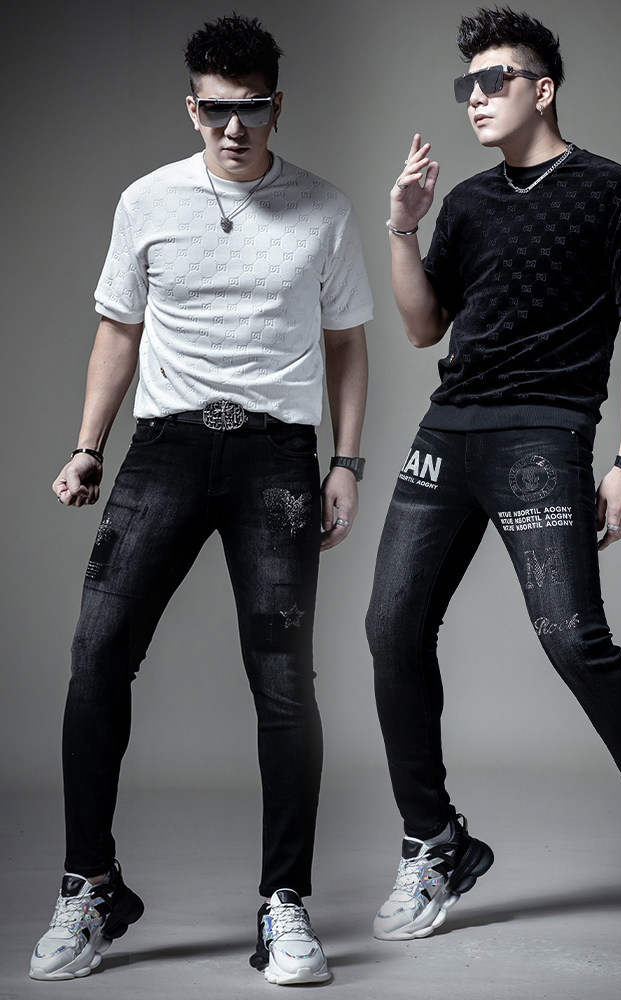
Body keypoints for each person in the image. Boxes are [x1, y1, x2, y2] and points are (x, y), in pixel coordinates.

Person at [365, 4, 621, 980]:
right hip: (448, 434)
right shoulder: (468, 203)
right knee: (391, 629)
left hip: (544, 436)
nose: (475, 98)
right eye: (465, 84)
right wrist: (403, 229)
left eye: (493, 80)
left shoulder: (614, 191)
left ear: (542, 89)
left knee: (575, 639)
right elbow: (422, 327)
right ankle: (436, 842)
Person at [30, 13, 372, 987]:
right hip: (165, 451)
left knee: (284, 683)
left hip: (276, 459)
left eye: (250, 108)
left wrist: (346, 461)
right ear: (192, 108)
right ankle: (89, 884)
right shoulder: (146, 201)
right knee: (97, 656)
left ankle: (285, 902)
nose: (233, 127)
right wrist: (87, 447)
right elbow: (118, 330)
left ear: (276, 106)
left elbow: (347, 341)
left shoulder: (325, 209)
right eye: (216, 110)